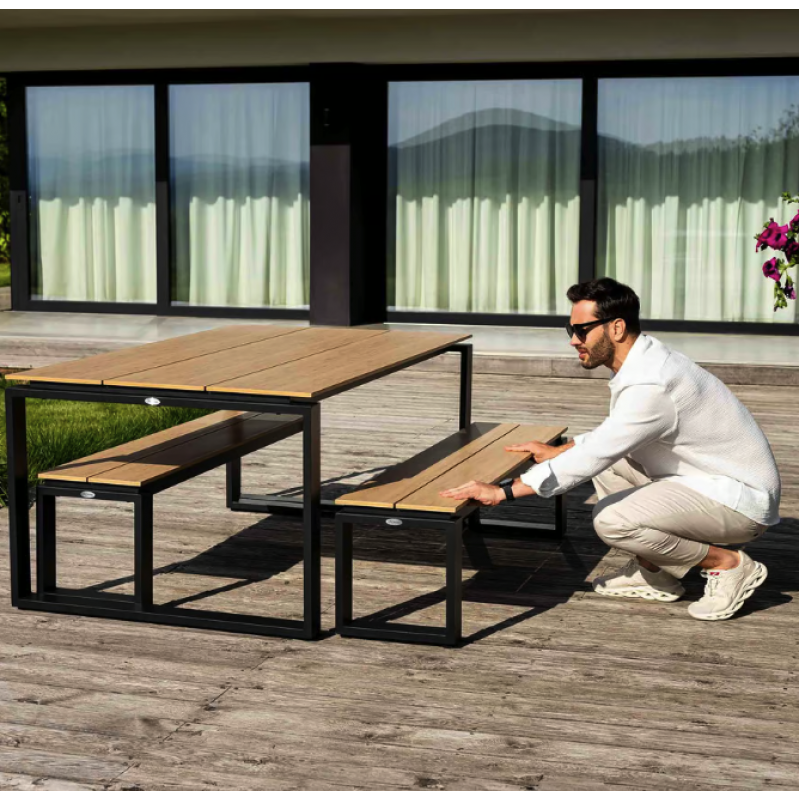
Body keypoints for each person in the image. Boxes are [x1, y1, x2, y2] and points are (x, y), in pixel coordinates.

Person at [440, 278, 780, 621]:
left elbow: (597, 453)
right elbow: (614, 436)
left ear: (616, 327)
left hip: (740, 502)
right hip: (706, 479)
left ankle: (729, 564)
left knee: (612, 520)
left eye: (582, 330)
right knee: (609, 465)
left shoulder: (652, 382)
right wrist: (564, 449)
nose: (573, 340)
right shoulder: (647, 360)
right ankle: (655, 573)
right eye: (570, 329)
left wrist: (502, 492)